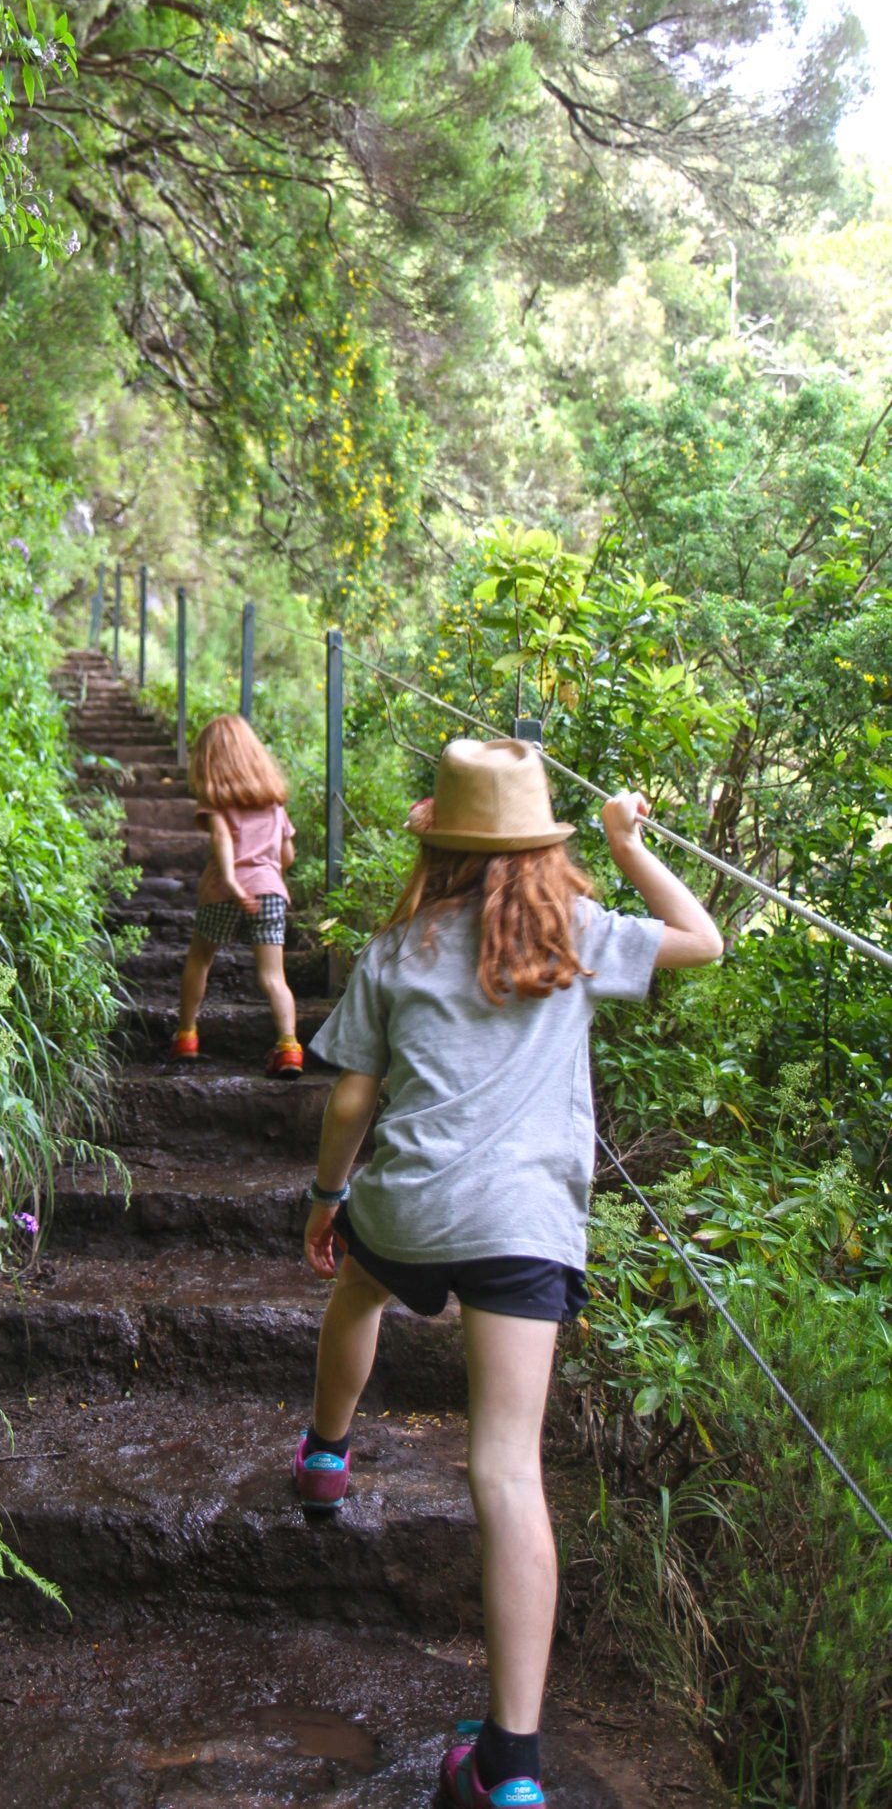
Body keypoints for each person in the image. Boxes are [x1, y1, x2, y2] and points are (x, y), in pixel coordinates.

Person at [292, 738, 722, 1809]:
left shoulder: (397, 949)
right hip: (526, 1227)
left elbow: (351, 1099)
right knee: (508, 1472)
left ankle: (327, 1458)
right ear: (542, 844)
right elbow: (702, 941)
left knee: (358, 1293)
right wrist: (627, 846)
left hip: (409, 1203)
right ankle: (512, 1768)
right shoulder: (574, 934)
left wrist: (326, 1198)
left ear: (438, 843)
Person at [170, 712, 303, 1076]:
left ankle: (186, 1035)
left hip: (222, 892)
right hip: (269, 893)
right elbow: (287, 856)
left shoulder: (217, 803)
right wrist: (265, 877)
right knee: (273, 977)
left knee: (200, 959)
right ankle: (289, 1047)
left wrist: (231, 879)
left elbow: (222, 839)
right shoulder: (275, 808)